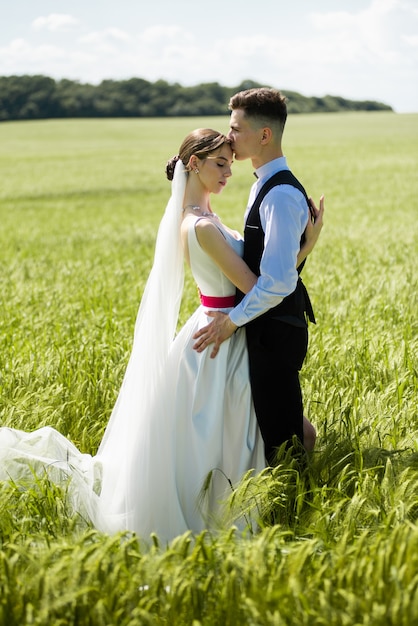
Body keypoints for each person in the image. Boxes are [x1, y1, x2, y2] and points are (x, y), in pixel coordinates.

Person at [0, 128, 322, 543]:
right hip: (220, 338)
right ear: (195, 164)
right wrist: (306, 246)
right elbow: (254, 286)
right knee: (233, 439)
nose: (228, 172)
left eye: (229, 163)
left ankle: (264, 507)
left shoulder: (204, 218)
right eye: (219, 164)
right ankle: (252, 515)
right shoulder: (201, 226)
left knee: (229, 439)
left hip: (222, 330)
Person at [193, 89, 324, 465]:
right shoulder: (263, 184)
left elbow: (278, 282)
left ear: (264, 135)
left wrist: (230, 322)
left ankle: (295, 509)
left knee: (284, 441)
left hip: (276, 332)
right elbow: (276, 269)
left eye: (235, 128)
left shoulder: (280, 194)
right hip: (266, 326)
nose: (229, 137)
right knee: (269, 429)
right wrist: (307, 248)